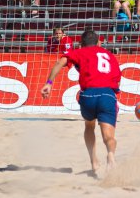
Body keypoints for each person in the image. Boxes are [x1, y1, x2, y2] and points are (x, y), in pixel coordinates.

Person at [41, 30, 122, 172]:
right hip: (107, 95)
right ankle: (110, 155)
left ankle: (93, 161)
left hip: (88, 95)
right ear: (99, 43)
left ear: (80, 44)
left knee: (89, 126)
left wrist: (49, 82)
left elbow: (61, 62)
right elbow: (117, 80)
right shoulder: (110, 56)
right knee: (109, 136)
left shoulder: (79, 52)